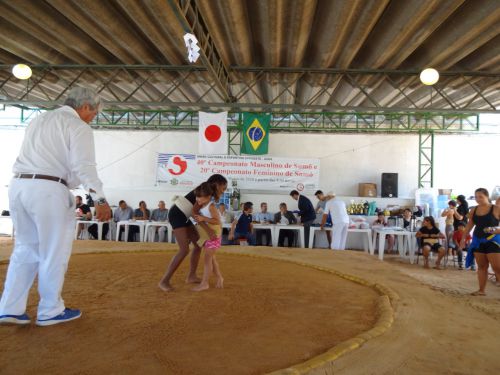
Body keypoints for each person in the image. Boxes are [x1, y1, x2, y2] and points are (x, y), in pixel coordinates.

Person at [0, 87, 111, 326]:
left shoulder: (38, 119)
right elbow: (84, 166)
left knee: (25, 249)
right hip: (49, 190)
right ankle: (50, 310)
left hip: (19, 186)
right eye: (94, 113)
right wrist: (99, 199)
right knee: (54, 251)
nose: (93, 117)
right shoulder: (78, 126)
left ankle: (10, 308)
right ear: (85, 107)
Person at [158, 174, 227, 292]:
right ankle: (164, 281)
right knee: (184, 249)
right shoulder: (204, 190)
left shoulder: (207, 191)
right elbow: (195, 213)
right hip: (177, 215)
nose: (223, 191)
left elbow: (197, 215)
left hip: (186, 215)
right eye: (223, 188)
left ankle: (191, 276)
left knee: (198, 245)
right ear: (217, 184)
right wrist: (208, 230)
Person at [460, 188, 500, 296]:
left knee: (497, 267)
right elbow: (469, 226)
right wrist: (463, 239)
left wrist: (495, 230)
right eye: (476, 197)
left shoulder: (496, 209)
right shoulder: (473, 210)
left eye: (480, 197)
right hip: (478, 240)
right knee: (482, 267)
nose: (478, 199)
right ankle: (481, 290)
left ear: (487, 196)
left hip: (493, 239)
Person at [191, 183, 224, 292]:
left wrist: (203, 218)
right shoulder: (202, 204)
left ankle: (205, 283)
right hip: (208, 235)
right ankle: (219, 278)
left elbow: (217, 220)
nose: (197, 199)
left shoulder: (211, 206)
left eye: (200, 197)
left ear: (208, 197)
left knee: (207, 260)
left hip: (214, 235)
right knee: (212, 259)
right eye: (197, 196)